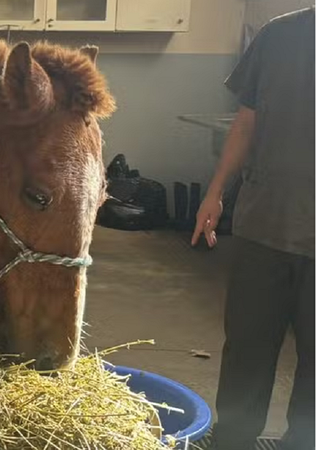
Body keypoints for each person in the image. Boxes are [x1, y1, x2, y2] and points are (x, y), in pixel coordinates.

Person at [191, 6, 314, 450]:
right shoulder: (278, 35)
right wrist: (216, 191)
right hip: (264, 225)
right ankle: (233, 440)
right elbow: (246, 121)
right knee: (247, 349)